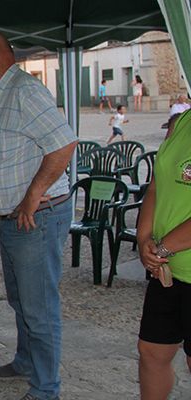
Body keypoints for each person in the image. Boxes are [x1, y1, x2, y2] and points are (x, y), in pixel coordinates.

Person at [0, 31, 77, 400]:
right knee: (21, 301)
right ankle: (27, 361)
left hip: (36, 217)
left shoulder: (24, 92)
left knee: (39, 307)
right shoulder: (2, 94)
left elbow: (63, 144)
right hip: (15, 220)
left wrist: (32, 196)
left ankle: (46, 389)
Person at [136, 109, 191, 399]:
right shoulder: (181, 122)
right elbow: (157, 187)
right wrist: (144, 238)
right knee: (152, 351)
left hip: (172, 259)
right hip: (166, 270)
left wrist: (164, 246)